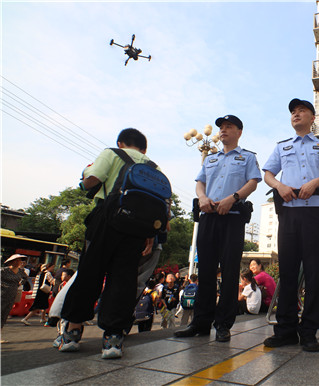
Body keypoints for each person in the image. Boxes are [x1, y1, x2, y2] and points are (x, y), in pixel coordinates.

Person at [58, 128, 163, 359]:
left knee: (89, 273)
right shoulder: (153, 167)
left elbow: (92, 181)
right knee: (123, 280)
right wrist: (149, 234)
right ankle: (113, 338)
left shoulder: (112, 153)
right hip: (137, 228)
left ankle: (73, 332)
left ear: (121, 142)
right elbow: (157, 203)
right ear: (144, 149)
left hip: (107, 218)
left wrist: (83, 181)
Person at [262, 98, 319, 352]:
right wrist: (280, 185)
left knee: (312, 273)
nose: (296, 114)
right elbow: (268, 174)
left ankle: (309, 332)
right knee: (287, 273)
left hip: (315, 214)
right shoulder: (282, 147)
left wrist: (316, 183)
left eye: (302, 111)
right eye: (293, 112)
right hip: (288, 214)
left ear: (312, 118)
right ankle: (285, 330)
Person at [174, 114, 261, 342]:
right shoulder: (210, 158)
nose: (223, 130)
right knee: (206, 272)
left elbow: (252, 182)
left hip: (232, 218)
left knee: (230, 272)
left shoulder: (247, 157)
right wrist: (202, 198)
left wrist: (233, 198)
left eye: (228, 126)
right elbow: (200, 182)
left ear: (239, 132)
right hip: (208, 217)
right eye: (221, 127)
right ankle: (200, 323)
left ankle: (223, 324)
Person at [1, 255, 29, 331]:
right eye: (16, 260)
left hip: (12, 294)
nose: (18, 262)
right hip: (2, 294)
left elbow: (25, 278)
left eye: (19, 260)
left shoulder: (20, 271)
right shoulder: (4, 270)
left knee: (5, 314)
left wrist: (20, 284)